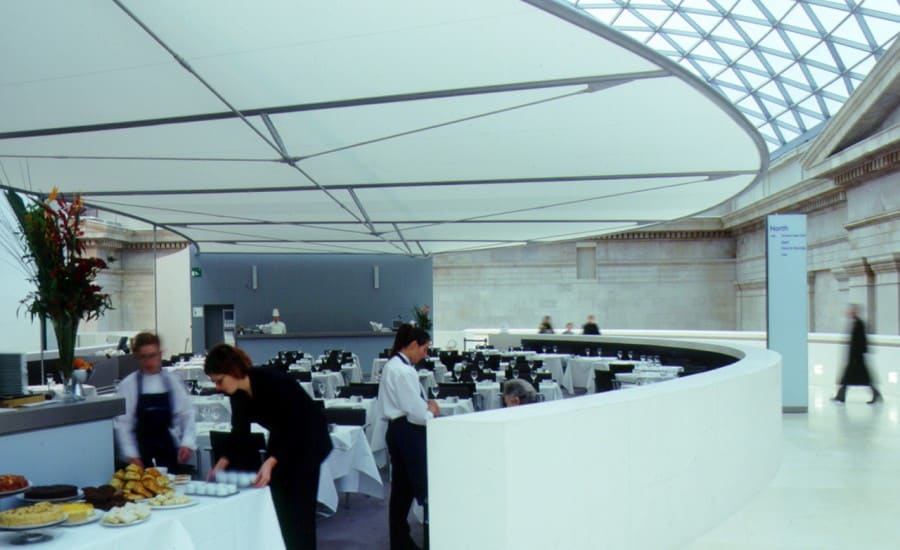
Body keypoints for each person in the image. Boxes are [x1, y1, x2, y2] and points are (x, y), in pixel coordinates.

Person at [205, 344, 332, 550]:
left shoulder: (273, 381)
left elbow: (296, 426)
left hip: (308, 441)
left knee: (300, 515)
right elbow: (239, 433)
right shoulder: (237, 395)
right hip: (283, 439)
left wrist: (272, 461)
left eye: (219, 381)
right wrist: (221, 463)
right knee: (279, 509)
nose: (218, 387)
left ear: (233, 371)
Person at [379, 324, 440, 550]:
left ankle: (400, 538)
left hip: (398, 430)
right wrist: (430, 411)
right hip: (407, 431)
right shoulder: (403, 371)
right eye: (425, 349)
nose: (426, 355)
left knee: (402, 489)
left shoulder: (393, 365)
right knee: (415, 486)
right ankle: (404, 538)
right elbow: (415, 414)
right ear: (413, 345)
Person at [114, 332, 196, 473]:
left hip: (168, 451)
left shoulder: (172, 381)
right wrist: (131, 455)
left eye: (152, 355)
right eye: (143, 357)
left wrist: (187, 443)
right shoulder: (128, 385)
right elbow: (123, 425)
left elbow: (187, 414)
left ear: (160, 354)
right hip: (140, 455)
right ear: (137, 357)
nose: (148, 362)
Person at [833, 304, 882, 404]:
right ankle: (841, 395)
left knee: (860, 378)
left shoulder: (859, 324)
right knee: (850, 378)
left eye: (851, 311)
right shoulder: (856, 323)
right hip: (855, 357)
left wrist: (857, 355)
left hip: (857, 358)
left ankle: (875, 394)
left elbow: (861, 341)